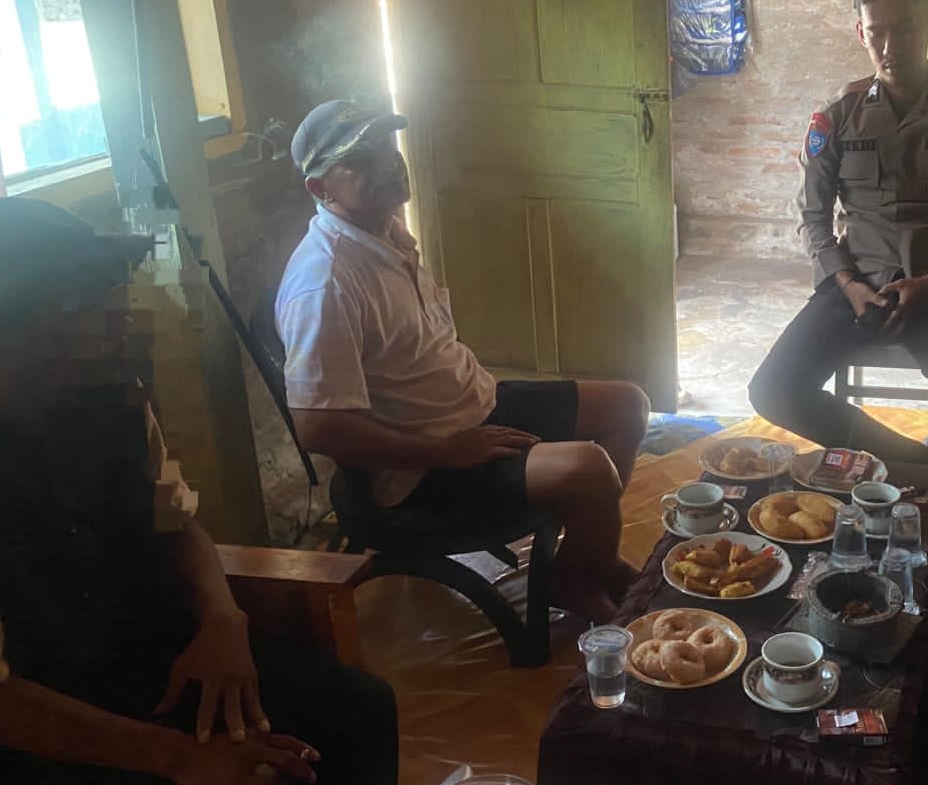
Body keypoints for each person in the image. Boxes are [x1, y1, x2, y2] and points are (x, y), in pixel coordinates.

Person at [0, 198, 397, 785]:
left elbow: (177, 523)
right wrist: (179, 756)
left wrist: (223, 622)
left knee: (357, 713)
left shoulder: (109, 395)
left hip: (140, 669)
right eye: (83, 303)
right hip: (22, 746)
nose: (118, 315)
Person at [275, 100, 649, 623]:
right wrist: (445, 450)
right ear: (320, 188)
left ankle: (587, 561)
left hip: (474, 411)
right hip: (421, 468)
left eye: (385, 145)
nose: (387, 162)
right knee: (588, 470)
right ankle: (574, 580)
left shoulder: (385, 231)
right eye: (358, 159)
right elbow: (319, 428)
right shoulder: (326, 283)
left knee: (627, 406)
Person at [748, 0, 928, 467]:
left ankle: (913, 472)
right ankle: (909, 469)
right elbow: (812, 217)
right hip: (855, 289)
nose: (890, 50)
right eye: (877, 34)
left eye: (906, 30)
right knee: (773, 390)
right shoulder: (837, 115)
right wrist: (846, 283)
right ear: (860, 31)